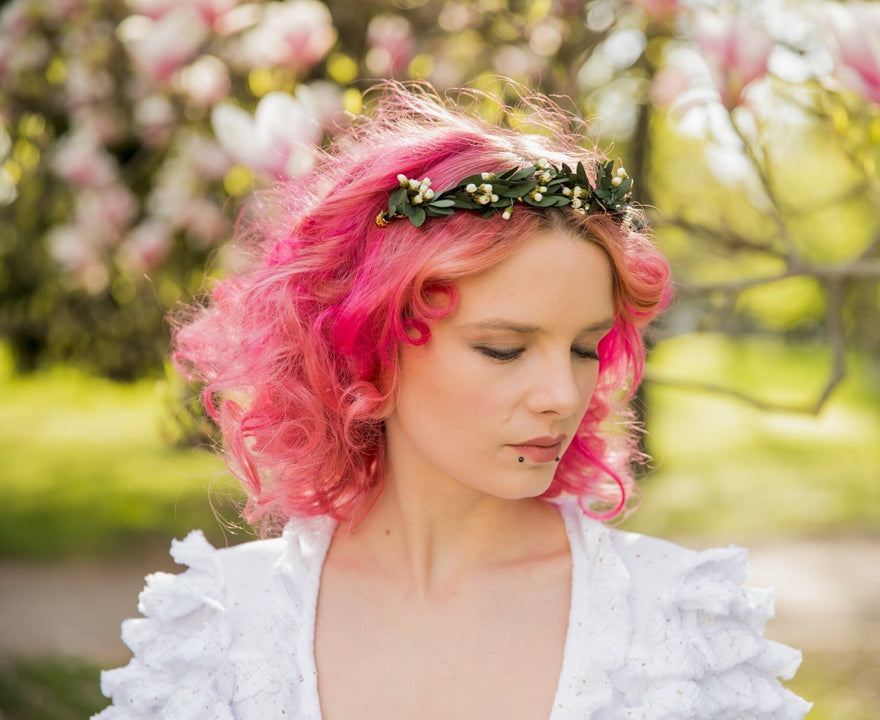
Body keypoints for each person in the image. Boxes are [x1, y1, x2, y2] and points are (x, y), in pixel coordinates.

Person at [95, 83, 811, 720]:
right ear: (368, 346)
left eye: (585, 348)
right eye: (502, 349)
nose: (562, 396)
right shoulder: (219, 629)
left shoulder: (678, 629)